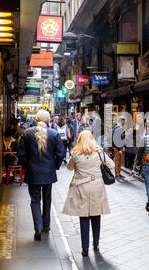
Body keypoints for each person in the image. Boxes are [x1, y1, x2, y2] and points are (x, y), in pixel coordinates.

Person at [62, 131, 115, 257]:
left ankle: (84, 248)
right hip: (97, 187)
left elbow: (69, 168)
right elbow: (112, 165)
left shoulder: (75, 154)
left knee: (84, 217)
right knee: (96, 215)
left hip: (81, 188)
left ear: (79, 139)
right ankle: (96, 243)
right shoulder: (99, 152)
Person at [18, 110, 66, 241]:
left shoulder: (27, 133)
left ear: (36, 119)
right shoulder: (54, 134)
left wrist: (27, 166)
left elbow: (21, 153)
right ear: (48, 120)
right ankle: (46, 225)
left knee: (35, 200)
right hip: (48, 173)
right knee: (47, 199)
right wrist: (54, 166)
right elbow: (61, 153)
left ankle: (37, 227)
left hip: (33, 172)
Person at [112, 116, 127, 181]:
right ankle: (117, 174)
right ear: (120, 121)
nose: (124, 121)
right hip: (117, 147)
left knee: (120, 161)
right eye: (122, 120)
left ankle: (119, 173)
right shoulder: (117, 128)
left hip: (120, 147)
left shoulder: (120, 128)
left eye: (124, 120)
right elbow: (116, 139)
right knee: (117, 161)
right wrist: (119, 149)